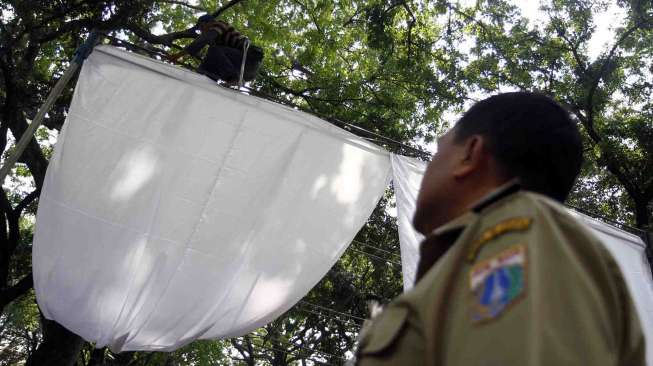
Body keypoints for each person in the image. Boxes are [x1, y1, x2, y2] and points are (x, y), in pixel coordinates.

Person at [354, 92, 645, 365]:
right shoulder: (468, 263)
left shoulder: (517, 234)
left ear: (470, 153)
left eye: (438, 151)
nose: (430, 166)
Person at [169, 14, 263, 85]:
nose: (202, 31)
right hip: (241, 68)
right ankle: (204, 82)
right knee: (209, 62)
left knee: (213, 50)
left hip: (248, 61)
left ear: (208, 23)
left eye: (201, 27)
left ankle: (232, 77)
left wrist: (178, 56)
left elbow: (204, 40)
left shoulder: (219, 24)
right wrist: (199, 73)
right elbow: (210, 58)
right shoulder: (218, 44)